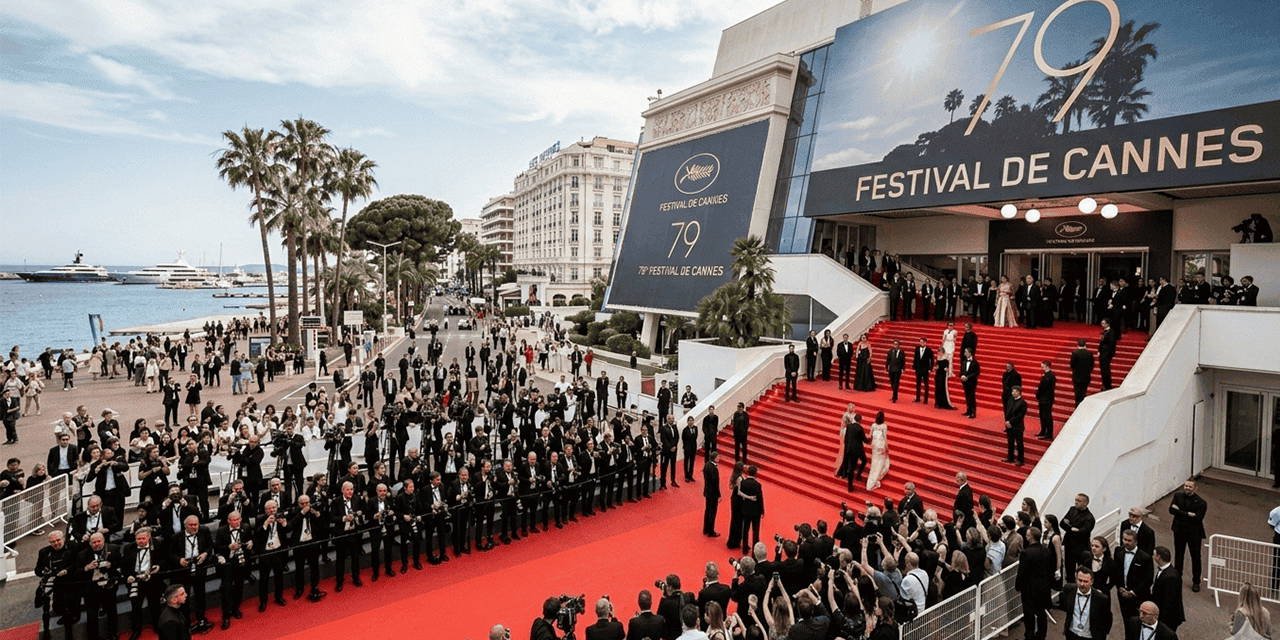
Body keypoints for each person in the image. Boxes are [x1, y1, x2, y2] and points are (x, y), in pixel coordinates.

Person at [1168, 478, 1207, 591]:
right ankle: (1177, 577)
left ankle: (1196, 581)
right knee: (1179, 555)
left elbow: (1197, 518)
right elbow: (1171, 510)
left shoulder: (1201, 502)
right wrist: (1188, 514)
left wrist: (1179, 512)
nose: (1187, 488)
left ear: (1195, 488)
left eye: (1190, 486)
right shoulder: (1177, 496)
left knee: (1195, 557)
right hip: (1179, 530)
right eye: (1186, 486)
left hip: (1194, 533)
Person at [1016, 527, 1054, 640]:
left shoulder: (1026, 553)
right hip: (1044, 587)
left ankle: (1029, 636)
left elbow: (1022, 572)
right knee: (1041, 612)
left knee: (1029, 614)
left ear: (1030, 537)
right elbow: (1050, 569)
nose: (1026, 536)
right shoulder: (1046, 550)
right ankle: (1041, 636)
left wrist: (1018, 586)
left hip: (1029, 589)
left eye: (1027, 535)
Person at [1058, 567, 1112, 640]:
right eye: (1080, 580)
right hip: (1071, 634)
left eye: (1086, 581)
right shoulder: (1068, 589)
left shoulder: (1101, 599)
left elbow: (1107, 620)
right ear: (1076, 579)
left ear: (1092, 582)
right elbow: (1065, 607)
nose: (1082, 584)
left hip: (1090, 636)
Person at [1113, 529, 1153, 620]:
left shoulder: (1145, 558)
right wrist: (1120, 588)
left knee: (1137, 621)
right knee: (1125, 619)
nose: (1126, 542)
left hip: (1138, 596)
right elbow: (1116, 572)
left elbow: (1148, 579)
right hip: (1122, 594)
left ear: (1136, 541)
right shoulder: (1118, 551)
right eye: (1124, 539)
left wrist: (1132, 592)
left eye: (1129, 540)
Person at [1150, 546, 1184, 631]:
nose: (1153, 556)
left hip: (1168, 618)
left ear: (1158, 557)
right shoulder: (1166, 571)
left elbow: (1169, 601)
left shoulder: (1171, 577)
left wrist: (1159, 619)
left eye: (1154, 555)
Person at [737, 466, 763, 555]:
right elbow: (760, 499)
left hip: (745, 510)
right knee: (755, 531)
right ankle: (755, 551)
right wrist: (762, 510)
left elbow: (741, 495)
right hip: (756, 511)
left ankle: (744, 548)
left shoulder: (743, 482)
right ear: (755, 474)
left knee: (745, 530)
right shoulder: (758, 485)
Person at [866, 411, 890, 491]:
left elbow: (870, 436)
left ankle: (872, 478)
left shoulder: (873, 425)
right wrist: (887, 447)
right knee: (880, 462)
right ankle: (877, 477)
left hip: (875, 446)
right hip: (881, 445)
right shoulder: (884, 426)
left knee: (874, 463)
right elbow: (885, 437)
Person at [1003, 386, 1027, 465]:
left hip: (1017, 426)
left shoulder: (1023, 403)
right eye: (1012, 391)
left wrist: (1010, 422)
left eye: (1014, 391)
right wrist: (1007, 422)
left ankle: (1020, 460)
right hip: (1009, 425)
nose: (1013, 393)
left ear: (1019, 392)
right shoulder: (1010, 400)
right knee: (1010, 442)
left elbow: (1020, 416)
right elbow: (1007, 412)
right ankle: (1010, 458)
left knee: (1019, 443)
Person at [1069, 339, 1094, 406]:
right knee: (1083, 391)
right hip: (1086, 376)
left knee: (1077, 392)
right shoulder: (1089, 353)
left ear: (1078, 345)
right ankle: (1082, 405)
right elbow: (1092, 365)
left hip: (1077, 376)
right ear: (1085, 345)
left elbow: (1072, 365)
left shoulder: (1075, 353)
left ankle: (1078, 405)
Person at [1036, 361, 1057, 440]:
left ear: (1047, 366)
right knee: (1042, 415)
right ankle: (1043, 431)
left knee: (1047, 416)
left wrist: (1038, 394)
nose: (1041, 367)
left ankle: (1049, 434)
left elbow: (1044, 388)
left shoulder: (1050, 376)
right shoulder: (1047, 375)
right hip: (1043, 399)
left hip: (1046, 399)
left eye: (1042, 366)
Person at [703, 451, 721, 537]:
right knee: (712, 512)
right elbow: (715, 483)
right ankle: (711, 531)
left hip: (707, 491)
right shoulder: (714, 469)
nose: (719, 458)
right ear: (714, 458)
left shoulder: (706, 464)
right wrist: (719, 495)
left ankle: (705, 529)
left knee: (707, 510)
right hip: (713, 493)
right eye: (718, 457)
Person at [959, 348, 980, 419]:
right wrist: (961, 376)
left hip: (972, 382)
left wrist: (967, 377)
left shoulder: (975, 362)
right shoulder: (964, 362)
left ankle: (973, 412)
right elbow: (961, 370)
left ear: (970, 353)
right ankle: (968, 411)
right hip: (965, 382)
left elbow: (977, 372)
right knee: (967, 397)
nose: (964, 353)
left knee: (972, 397)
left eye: (966, 352)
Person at [1098, 319, 1118, 390]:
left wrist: (1109, 354)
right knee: (1103, 370)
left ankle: (1107, 385)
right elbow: (1101, 342)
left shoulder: (1111, 332)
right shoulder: (1104, 332)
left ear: (1107, 324)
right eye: (1102, 323)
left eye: (1103, 323)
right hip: (1102, 353)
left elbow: (1112, 344)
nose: (1102, 325)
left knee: (1105, 370)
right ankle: (1104, 384)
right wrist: (1099, 350)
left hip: (1106, 354)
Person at [912, 338, 934, 404]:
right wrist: (914, 366)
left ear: (925, 342)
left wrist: (930, 368)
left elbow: (932, 360)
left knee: (926, 385)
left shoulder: (929, 350)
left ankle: (925, 399)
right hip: (918, 369)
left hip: (925, 369)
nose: (921, 343)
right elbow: (915, 358)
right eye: (920, 342)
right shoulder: (917, 349)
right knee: (918, 384)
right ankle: (918, 398)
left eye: (922, 342)